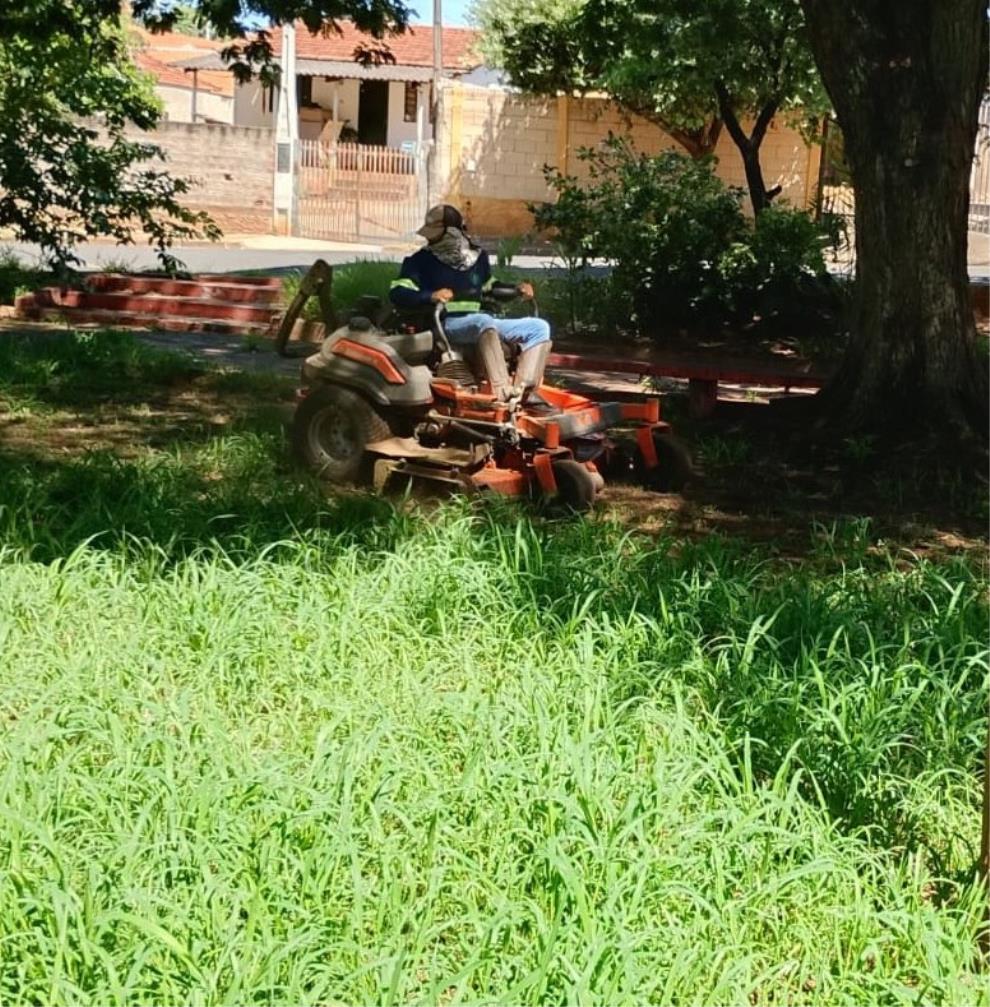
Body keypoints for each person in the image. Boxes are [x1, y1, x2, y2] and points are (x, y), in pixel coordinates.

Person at [389, 204, 551, 400]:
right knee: (483, 322)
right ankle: (502, 392)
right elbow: (398, 292)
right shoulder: (419, 260)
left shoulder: (478, 258)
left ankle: (526, 390)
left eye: (434, 233)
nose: (428, 238)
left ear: (451, 232)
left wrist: (517, 290)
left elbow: (490, 287)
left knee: (539, 327)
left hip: (481, 322)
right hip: (446, 323)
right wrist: (430, 296)